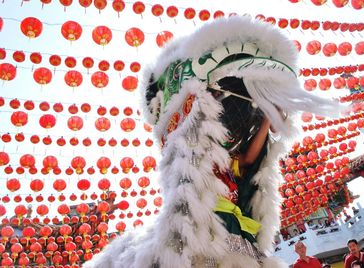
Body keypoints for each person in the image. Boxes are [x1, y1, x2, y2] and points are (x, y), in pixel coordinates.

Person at [84, 16, 339, 268]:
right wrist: (204, 102)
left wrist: (267, 119)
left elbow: (250, 159)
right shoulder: (192, 158)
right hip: (204, 228)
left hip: (237, 230)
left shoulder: (229, 163)